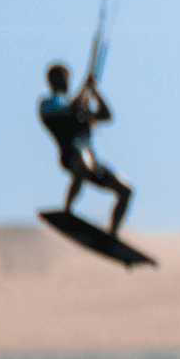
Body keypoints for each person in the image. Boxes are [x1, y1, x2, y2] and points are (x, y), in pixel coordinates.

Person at [39, 61, 133, 234]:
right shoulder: (48, 103)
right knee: (82, 165)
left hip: (91, 162)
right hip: (70, 156)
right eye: (62, 79)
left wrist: (94, 91)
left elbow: (106, 115)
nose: (65, 83)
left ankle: (112, 233)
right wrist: (84, 88)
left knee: (126, 191)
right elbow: (66, 112)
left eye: (66, 79)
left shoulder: (76, 106)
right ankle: (67, 209)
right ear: (52, 81)